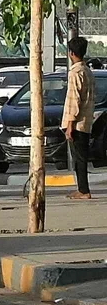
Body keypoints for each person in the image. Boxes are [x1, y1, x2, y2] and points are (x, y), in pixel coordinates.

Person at [67, 36, 95, 200]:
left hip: (77, 122)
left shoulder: (75, 73)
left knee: (79, 159)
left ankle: (83, 190)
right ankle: (82, 189)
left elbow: (73, 101)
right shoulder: (88, 71)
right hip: (86, 120)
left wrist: (70, 124)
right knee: (81, 156)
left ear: (71, 53)